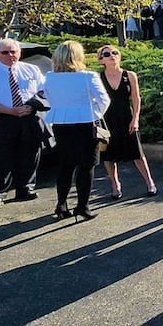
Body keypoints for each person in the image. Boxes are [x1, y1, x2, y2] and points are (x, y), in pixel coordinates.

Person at [0, 37, 47, 210]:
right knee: (2, 158)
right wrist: (10, 111)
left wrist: (31, 106)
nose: (10, 55)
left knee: (30, 155)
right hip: (3, 119)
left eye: (13, 51)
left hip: (29, 117)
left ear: (19, 52)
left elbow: (43, 91)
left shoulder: (31, 69)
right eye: (5, 52)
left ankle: (25, 189)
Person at [42, 41, 111, 223]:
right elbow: (104, 100)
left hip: (61, 123)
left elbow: (49, 98)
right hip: (86, 123)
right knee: (86, 166)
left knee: (66, 165)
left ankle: (62, 204)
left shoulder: (50, 77)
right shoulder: (88, 76)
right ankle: (82, 206)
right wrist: (94, 112)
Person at [96, 45, 157, 199]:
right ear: (101, 59)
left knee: (137, 153)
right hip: (107, 119)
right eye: (107, 54)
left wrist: (135, 118)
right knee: (109, 155)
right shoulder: (98, 77)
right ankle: (115, 185)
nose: (112, 56)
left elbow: (136, 98)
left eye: (115, 53)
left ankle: (150, 182)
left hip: (126, 117)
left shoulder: (129, 75)